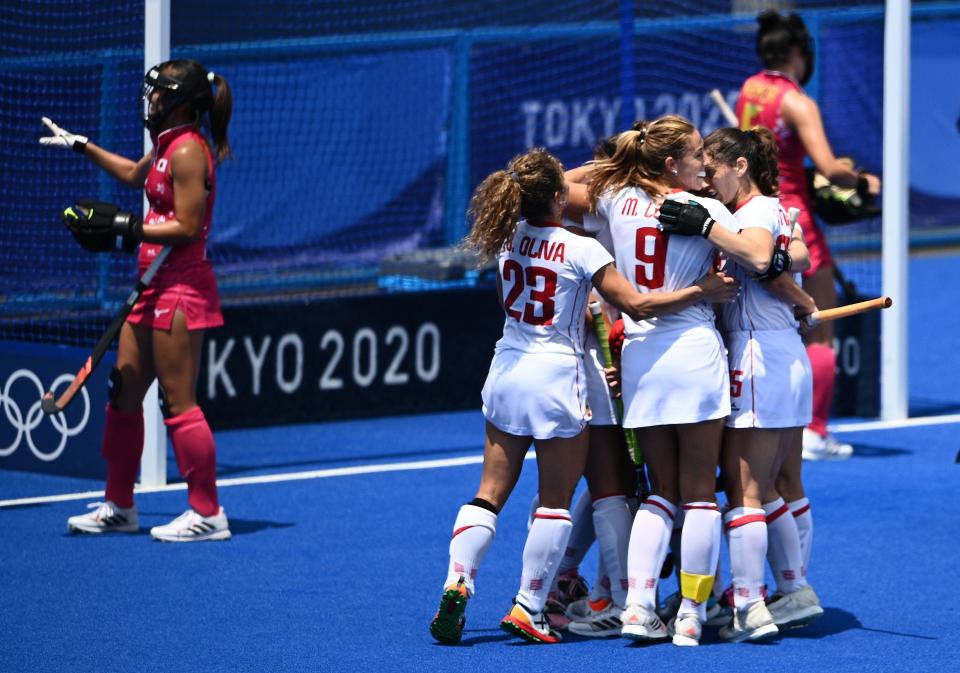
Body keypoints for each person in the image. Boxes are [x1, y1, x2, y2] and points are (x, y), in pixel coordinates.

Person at [428, 147, 738, 645]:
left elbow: (544, 186)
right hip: (557, 379)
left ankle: (458, 580)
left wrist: (586, 172)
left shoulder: (505, 233)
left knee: (488, 494)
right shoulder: (581, 249)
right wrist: (702, 291)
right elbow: (636, 303)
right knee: (556, 502)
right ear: (558, 196)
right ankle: (529, 605)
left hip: (506, 370)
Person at [565, 114, 771, 647]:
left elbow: (558, 186)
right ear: (670, 163)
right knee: (700, 496)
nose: (706, 163)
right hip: (695, 352)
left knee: (661, 493)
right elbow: (761, 257)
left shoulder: (613, 199)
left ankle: (636, 606)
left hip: (640, 357)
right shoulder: (709, 210)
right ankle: (691, 613)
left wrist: (618, 161)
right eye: (698, 153)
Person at [43, 59, 234, 542]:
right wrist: (80, 144)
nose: (149, 102)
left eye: (157, 95)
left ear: (180, 103)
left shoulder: (190, 151)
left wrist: (128, 229)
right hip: (150, 284)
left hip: (181, 290)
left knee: (178, 402)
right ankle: (119, 505)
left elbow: (189, 227)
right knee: (123, 392)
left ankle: (208, 513)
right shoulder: (166, 145)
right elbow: (132, 174)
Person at [735, 10, 881, 461]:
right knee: (820, 328)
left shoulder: (750, 89)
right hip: (795, 225)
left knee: (760, 322)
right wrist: (862, 180)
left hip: (751, 215)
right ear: (800, 52)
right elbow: (831, 165)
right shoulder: (799, 102)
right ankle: (814, 432)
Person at [698, 125, 823, 641]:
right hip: (785, 357)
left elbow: (762, 264)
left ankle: (751, 605)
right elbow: (791, 259)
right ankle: (794, 589)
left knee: (747, 489)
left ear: (740, 166)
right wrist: (801, 297)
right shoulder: (765, 210)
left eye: (712, 167)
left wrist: (803, 299)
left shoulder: (749, 215)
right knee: (781, 483)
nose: (706, 178)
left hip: (755, 354)